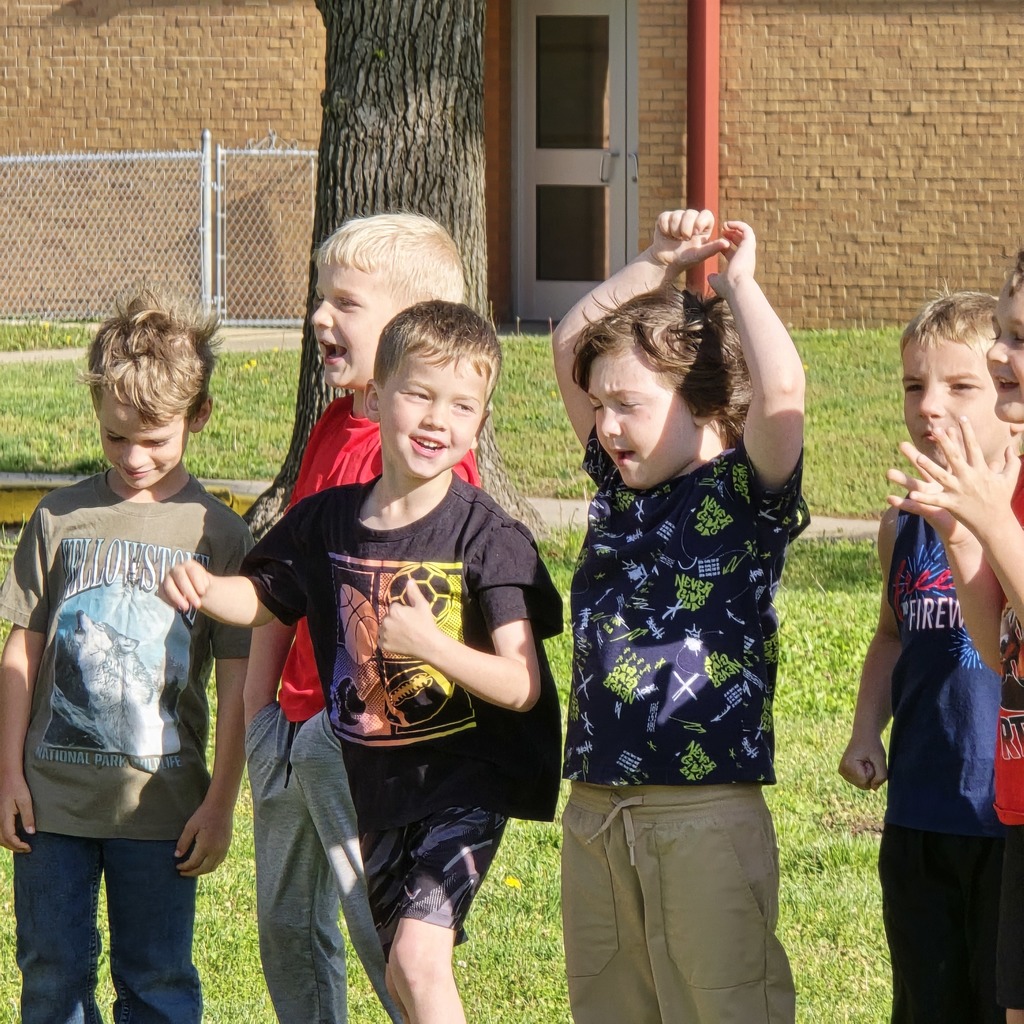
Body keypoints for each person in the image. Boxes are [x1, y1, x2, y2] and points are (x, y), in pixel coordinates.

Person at [163, 300, 563, 1024]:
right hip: (375, 785)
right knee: (403, 978)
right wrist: (208, 590)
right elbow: (268, 596)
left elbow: (521, 683)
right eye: (419, 395)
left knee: (416, 958)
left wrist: (436, 647)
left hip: (464, 782)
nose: (439, 419)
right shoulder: (328, 519)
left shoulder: (489, 539)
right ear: (376, 398)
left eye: (463, 406)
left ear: (480, 422)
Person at [551, 208, 806, 1024]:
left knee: (724, 1006)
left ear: (704, 402)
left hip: (704, 813)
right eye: (596, 407)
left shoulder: (744, 494)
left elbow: (786, 392)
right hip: (595, 807)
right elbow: (568, 343)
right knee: (610, 1007)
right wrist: (654, 264)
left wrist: (740, 286)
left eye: (625, 402)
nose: (605, 425)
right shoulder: (615, 485)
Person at [243, 212, 478, 1023]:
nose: (319, 317)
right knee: (286, 930)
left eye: (343, 302)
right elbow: (284, 574)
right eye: (320, 298)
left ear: (410, 330)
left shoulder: (419, 450)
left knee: (385, 940)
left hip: (364, 739)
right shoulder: (330, 428)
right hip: (293, 725)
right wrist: (258, 717)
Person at [0, 289, 252, 1023]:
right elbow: (22, 651)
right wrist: (8, 774)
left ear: (197, 417)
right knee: (50, 980)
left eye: (155, 440)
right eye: (115, 438)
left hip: (163, 811)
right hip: (50, 809)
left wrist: (220, 802)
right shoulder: (58, 517)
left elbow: (238, 685)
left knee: (158, 983)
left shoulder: (220, 534)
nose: (134, 458)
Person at [839, 292, 1011, 1024]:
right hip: (921, 811)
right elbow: (891, 634)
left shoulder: (1018, 516)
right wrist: (863, 728)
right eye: (915, 385)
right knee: (926, 1003)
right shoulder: (900, 526)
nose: (929, 404)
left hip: (1006, 822)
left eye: (959, 385)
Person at [888, 252, 1024, 1024]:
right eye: (1002, 335)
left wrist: (987, 521)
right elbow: (1000, 640)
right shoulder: (912, 520)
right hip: (957, 805)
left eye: (1018, 341)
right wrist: (963, 534)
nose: (1004, 356)